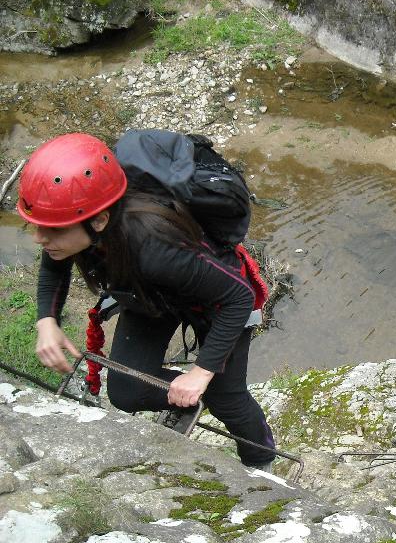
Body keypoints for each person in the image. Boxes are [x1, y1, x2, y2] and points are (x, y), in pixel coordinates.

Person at [17, 132, 276, 470]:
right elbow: (54, 266)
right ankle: (184, 402)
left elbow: (238, 297)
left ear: (99, 221)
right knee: (127, 392)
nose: (40, 238)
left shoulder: (154, 246)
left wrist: (201, 373)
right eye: (38, 226)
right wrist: (46, 321)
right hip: (153, 295)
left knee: (225, 396)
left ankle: (262, 464)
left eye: (52, 230)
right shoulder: (78, 223)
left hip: (216, 301)